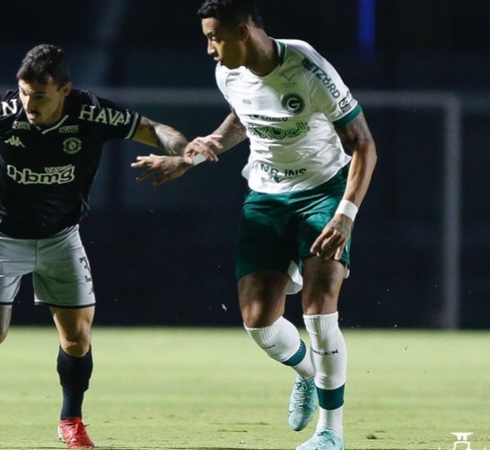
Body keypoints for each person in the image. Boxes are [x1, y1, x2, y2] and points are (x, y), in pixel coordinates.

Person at [0, 44, 208, 449]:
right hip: (0, 235)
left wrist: (184, 150)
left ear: (65, 90)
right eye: (24, 93)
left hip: (60, 237)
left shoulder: (91, 113)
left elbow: (154, 128)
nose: (29, 104)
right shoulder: (0, 110)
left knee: (77, 337)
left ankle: (71, 421)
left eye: (40, 95)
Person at [132, 1, 377, 449]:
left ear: (243, 31)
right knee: (259, 323)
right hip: (265, 197)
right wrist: (199, 151)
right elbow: (243, 118)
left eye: (214, 37)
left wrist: (345, 215)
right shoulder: (228, 72)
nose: (209, 48)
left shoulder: (307, 66)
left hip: (324, 192)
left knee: (320, 309)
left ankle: (330, 433)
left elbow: (363, 144)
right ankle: (307, 374)